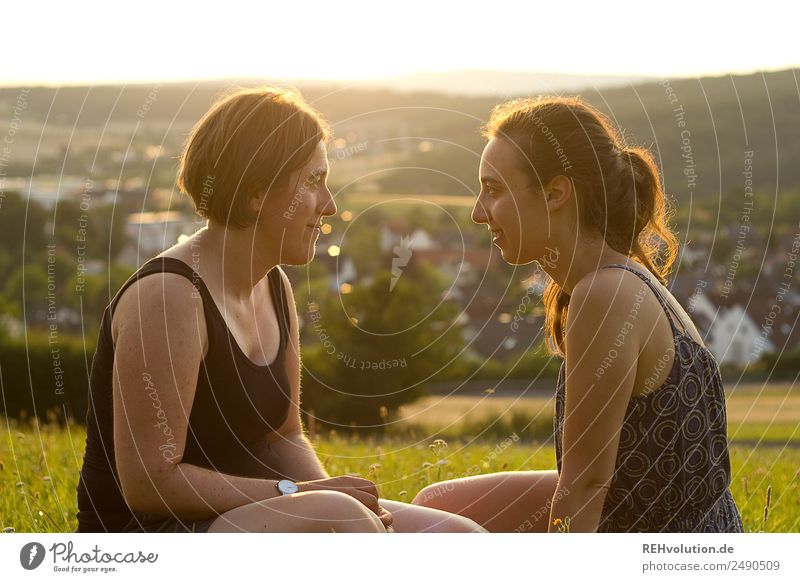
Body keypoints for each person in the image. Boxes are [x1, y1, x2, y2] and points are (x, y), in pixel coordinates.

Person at [75, 87, 484, 533]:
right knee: (341, 519)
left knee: (457, 536)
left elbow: (283, 435)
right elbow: (149, 485)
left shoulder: (273, 285)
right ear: (257, 193)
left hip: (245, 517)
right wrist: (302, 496)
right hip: (149, 538)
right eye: (313, 181)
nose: (329, 204)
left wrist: (341, 499)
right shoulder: (169, 297)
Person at [412, 96, 744, 533]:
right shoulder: (620, 278)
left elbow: (586, 484)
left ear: (555, 193)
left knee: (429, 532)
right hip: (674, 527)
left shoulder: (605, 294)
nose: (477, 212)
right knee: (437, 504)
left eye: (493, 190)